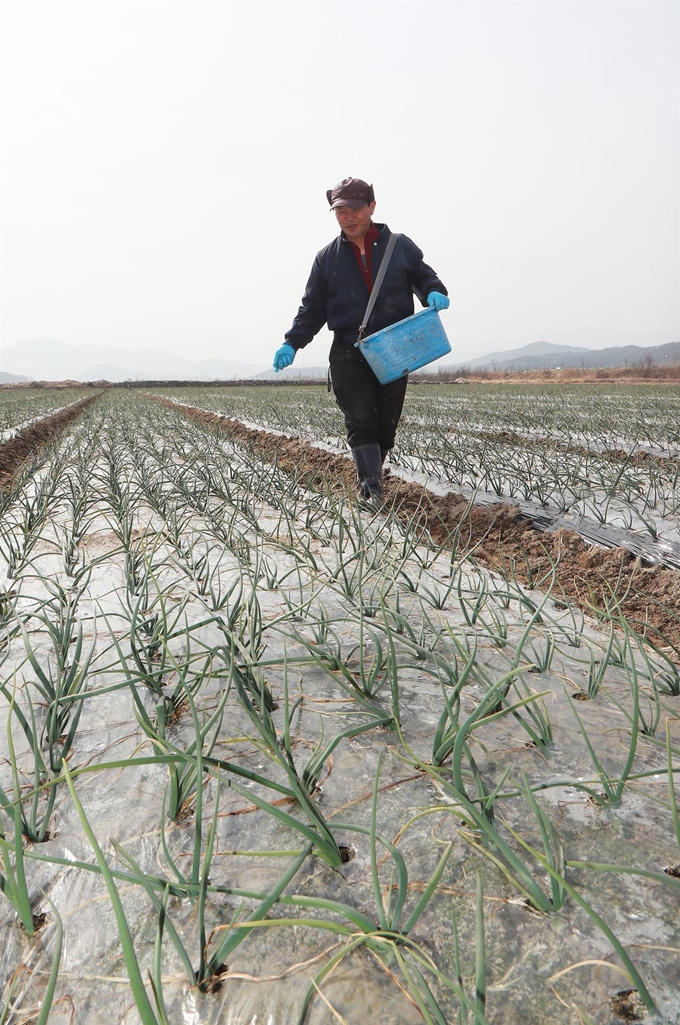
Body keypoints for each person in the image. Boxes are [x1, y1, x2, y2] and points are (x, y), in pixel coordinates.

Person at [273, 177, 449, 508]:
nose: (348, 217)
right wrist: (292, 343)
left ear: (371, 207)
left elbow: (424, 275)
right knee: (360, 419)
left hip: (394, 347)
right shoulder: (327, 258)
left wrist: (433, 291)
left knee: (386, 426)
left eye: (354, 209)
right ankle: (371, 493)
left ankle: (372, 479)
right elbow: (312, 309)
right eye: (340, 211)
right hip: (348, 350)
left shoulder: (399, 246)